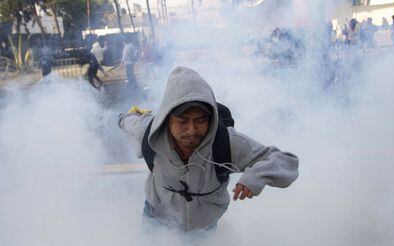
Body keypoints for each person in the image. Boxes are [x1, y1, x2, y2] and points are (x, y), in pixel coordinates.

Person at [118, 66, 299, 232]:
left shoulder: (226, 142)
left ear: (211, 119)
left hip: (203, 227)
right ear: (167, 119)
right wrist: (129, 114)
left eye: (200, 120)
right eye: (182, 121)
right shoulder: (149, 133)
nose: (192, 130)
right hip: (157, 219)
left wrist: (255, 177)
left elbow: (285, 160)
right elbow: (125, 120)